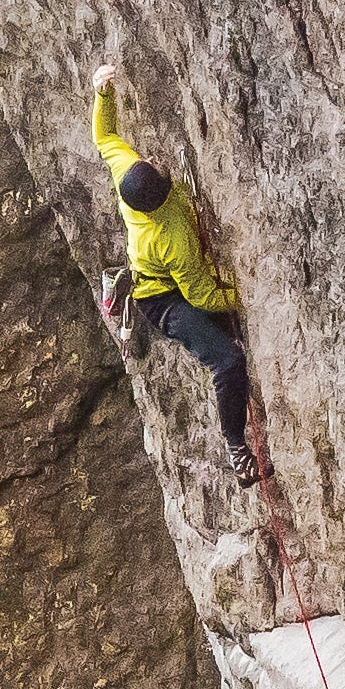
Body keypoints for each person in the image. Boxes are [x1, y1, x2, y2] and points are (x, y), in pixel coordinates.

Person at [89, 59, 251, 449]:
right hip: (162, 301)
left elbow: (105, 137)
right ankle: (236, 445)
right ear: (162, 196)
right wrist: (245, 298)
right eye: (154, 165)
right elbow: (200, 296)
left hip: (165, 277)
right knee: (228, 361)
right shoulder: (172, 238)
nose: (151, 158)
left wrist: (102, 92)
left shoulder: (129, 176)